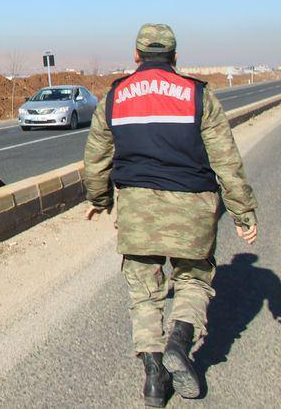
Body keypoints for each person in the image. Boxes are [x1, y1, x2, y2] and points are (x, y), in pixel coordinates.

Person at [83, 24, 258, 407]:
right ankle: (179, 340)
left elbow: (96, 159)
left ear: (136, 55)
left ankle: (153, 377)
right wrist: (244, 213)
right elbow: (226, 162)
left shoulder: (115, 98)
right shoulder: (199, 96)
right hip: (193, 209)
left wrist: (98, 200)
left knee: (145, 295)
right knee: (193, 280)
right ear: (175, 58)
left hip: (137, 211)